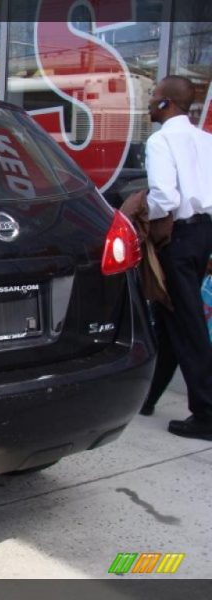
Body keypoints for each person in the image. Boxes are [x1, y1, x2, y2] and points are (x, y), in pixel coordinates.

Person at [143, 75, 212, 440]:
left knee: (187, 323)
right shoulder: (205, 140)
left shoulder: (161, 141)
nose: (148, 102)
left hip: (178, 238)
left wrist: (144, 216)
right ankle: (149, 396)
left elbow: (165, 198)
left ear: (166, 103)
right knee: (172, 315)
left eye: (153, 96)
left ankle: (206, 412)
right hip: (202, 235)